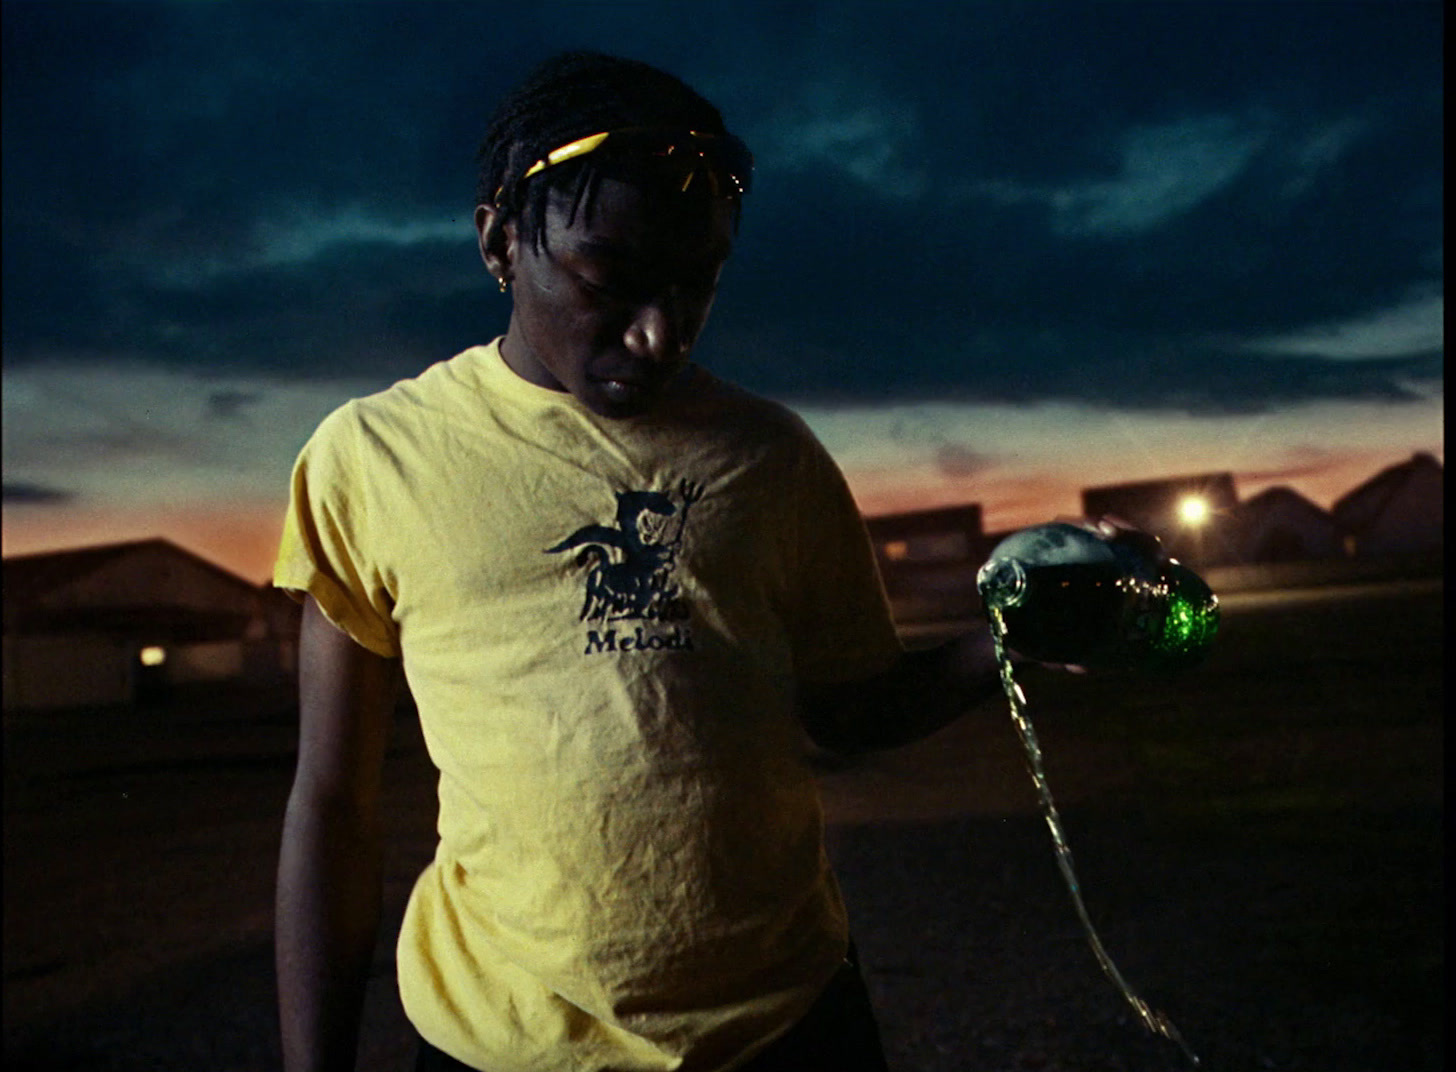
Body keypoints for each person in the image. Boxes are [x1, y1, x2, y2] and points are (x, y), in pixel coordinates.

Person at [274, 51, 1016, 1072]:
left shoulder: (772, 458)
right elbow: (332, 803)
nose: (659, 330)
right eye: (607, 278)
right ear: (498, 240)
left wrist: (1008, 643)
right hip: (503, 1042)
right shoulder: (371, 461)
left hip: (785, 1028)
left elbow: (846, 709)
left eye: (696, 281)